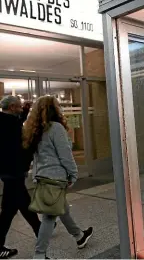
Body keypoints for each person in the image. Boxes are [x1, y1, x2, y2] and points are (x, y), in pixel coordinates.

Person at [22, 96, 93, 259]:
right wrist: (73, 173)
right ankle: (39, 255)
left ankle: (79, 236)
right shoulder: (55, 128)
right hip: (55, 177)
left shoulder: (35, 129)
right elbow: (65, 155)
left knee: (61, 208)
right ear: (54, 109)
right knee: (49, 215)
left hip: (42, 176)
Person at [0, 96, 41, 259]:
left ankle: (41, 229)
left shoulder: (4, 121)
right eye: (18, 107)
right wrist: (26, 165)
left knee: (23, 203)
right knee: (9, 210)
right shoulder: (11, 124)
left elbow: (16, 124)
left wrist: (24, 111)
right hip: (14, 172)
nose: (19, 109)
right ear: (11, 107)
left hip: (6, 172)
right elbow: (20, 149)